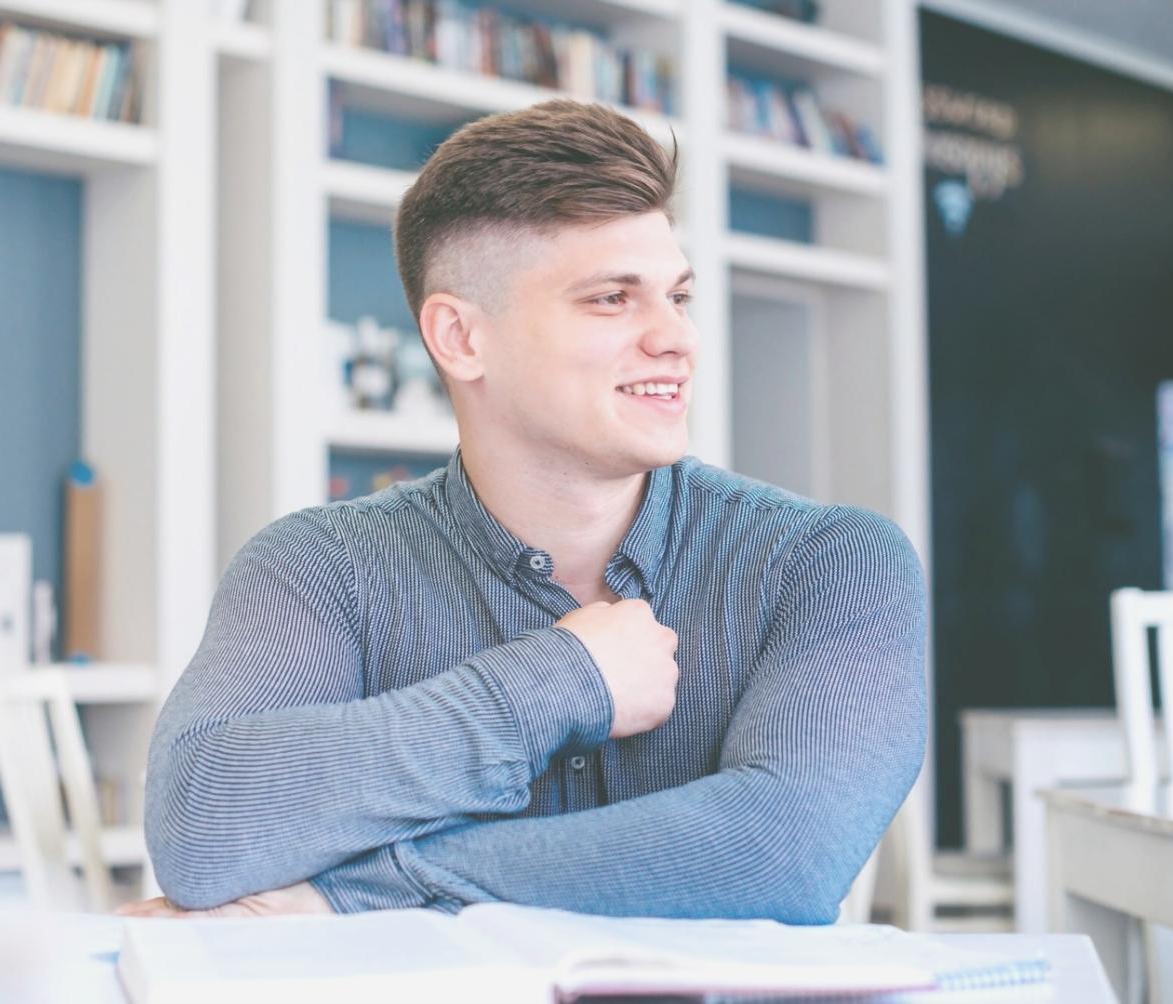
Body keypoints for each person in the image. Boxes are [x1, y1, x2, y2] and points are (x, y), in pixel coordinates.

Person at [124, 99, 927, 921]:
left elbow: (778, 855)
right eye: (612, 299)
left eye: (676, 296)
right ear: (461, 339)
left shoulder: (832, 562)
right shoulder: (319, 567)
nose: (677, 338)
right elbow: (200, 826)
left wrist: (349, 894)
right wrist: (561, 682)